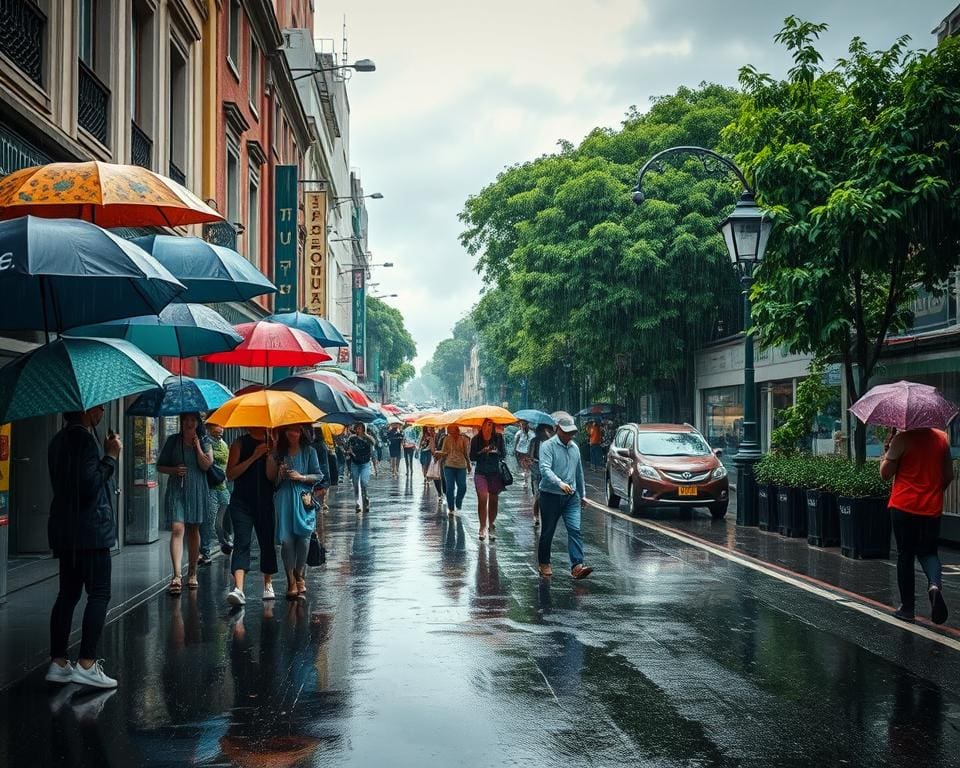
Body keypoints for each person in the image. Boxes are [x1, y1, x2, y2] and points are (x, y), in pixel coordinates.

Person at [45, 405, 121, 689]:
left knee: (67, 593)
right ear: (87, 410)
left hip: (65, 530)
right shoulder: (85, 441)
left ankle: (58, 661)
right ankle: (87, 663)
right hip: (91, 530)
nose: (102, 411)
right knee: (99, 593)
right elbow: (89, 486)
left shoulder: (57, 441)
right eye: (99, 407)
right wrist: (111, 458)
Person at [881, 426, 954, 624]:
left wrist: (888, 450)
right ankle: (934, 586)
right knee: (929, 552)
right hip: (931, 508)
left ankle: (907, 608)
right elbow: (948, 475)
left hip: (904, 506)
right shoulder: (942, 438)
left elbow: (885, 474)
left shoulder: (903, 439)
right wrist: (934, 492)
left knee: (905, 555)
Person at [157, 413, 213, 595]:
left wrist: (197, 446)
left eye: (192, 420)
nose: (189, 423)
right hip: (177, 489)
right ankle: (176, 575)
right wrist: (174, 470)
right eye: (186, 420)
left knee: (193, 530)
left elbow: (206, 465)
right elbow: (160, 466)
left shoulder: (204, 440)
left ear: (197, 422)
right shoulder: (173, 440)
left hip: (196, 489)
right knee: (177, 528)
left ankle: (192, 572)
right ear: (181, 422)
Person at [267, 425, 324, 600]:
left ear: (302, 433)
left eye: (297, 430)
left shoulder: (310, 452)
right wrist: (279, 470)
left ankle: (300, 575)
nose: (294, 433)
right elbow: (271, 479)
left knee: (304, 538)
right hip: (284, 499)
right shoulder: (279, 452)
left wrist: (302, 477)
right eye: (291, 430)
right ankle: (291, 580)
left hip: (303, 498)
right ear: (285, 432)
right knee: (287, 541)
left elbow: (319, 475)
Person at [225, 428, 278, 606]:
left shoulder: (272, 443)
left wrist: (270, 455)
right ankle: (238, 588)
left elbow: (272, 477)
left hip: (265, 501)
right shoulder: (239, 443)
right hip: (241, 502)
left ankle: (268, 583)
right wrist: (254, 456)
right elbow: (231, 474)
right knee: (242, 541)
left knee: (266, 541)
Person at [538, 415, 592, 580]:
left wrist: (583, 495)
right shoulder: (547, 446)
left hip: (571, 497)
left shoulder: (575, 448)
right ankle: (544, 563)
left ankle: (577, 566)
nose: (569, 436)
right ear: (557, 429)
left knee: (575, 530)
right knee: (548, 531)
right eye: (566, 432)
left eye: (571, 433)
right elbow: (544, 469)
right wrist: (559, 483)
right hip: (550, 495)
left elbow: (579, 473)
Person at [470, 419, 506, 541]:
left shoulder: (499, 438)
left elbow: (503, 454)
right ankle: (482, 527)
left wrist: (496, 451)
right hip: (481, 473)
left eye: (491, 425)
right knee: (483, 498)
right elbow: (472, 457)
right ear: (483, 426)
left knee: (494, 500)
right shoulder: (476, 439)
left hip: (495, 473)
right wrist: (482, 451)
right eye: (487, 425)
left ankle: (491, 525)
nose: (489, 427)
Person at [203, 423, 233, 557]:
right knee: (210, 520)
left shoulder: (224, 444)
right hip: (211, 486)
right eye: (217, 426)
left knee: (219, 520)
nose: (221, 429)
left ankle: (222, 541)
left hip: (223, 486)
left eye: (222, 426)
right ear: (209, 427)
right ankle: (207, 549)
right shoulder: (205, 443)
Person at [435, 424, 470, 517]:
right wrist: (438, 454)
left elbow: (466, 452)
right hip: (449, 466)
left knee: (462, 487)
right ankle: (451, 508)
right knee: (450, 487)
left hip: (461, 466)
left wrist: (469, 464)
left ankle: (458, 501)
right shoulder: (446, 439)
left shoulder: (463, 439)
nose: (449, 430)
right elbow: (443, 451)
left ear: (456, 429)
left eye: (451, 429)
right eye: (449, 429)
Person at [346, 422, 376, 512]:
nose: (359, 430)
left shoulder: (368, 439)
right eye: (357, 428)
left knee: (364, 483)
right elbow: (347, 449)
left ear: (364, 429)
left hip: (365, 464)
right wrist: (349, 451)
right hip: (355, 464)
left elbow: (374, 444)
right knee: (355, 484)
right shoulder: (352, 438)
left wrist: (366, 435)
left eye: (361, 428)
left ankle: (365, 499)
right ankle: (357, 503)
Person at [529, 423, 555, 527]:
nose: (547, 433)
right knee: (538, 494)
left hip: (548, 470)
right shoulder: (534, 441)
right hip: (536, 469)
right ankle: (536, 515)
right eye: (545, 431)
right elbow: (530, 455)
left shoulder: (551, 443)